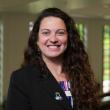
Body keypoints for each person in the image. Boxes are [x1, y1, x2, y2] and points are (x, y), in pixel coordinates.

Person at [6, 8, 100, 110]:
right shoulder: (22, 79)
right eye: (46, 33)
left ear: (69, 38)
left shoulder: (81, 76)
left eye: (60, 33)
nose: (53, 39)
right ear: (36, 39)